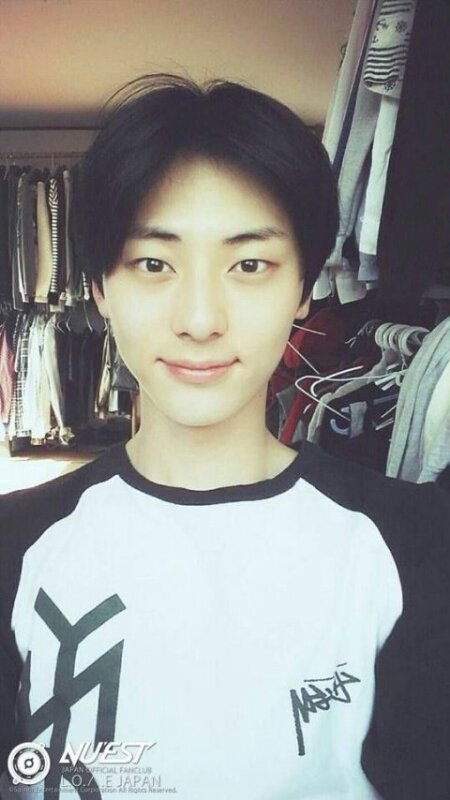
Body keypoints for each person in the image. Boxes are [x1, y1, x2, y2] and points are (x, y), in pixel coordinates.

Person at [0, 73, 449, 800]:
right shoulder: (17, 545)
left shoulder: (415, 543)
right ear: (101, 287)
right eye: (154, 264)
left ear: (303, 287)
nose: (201, 319)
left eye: (249, 264)